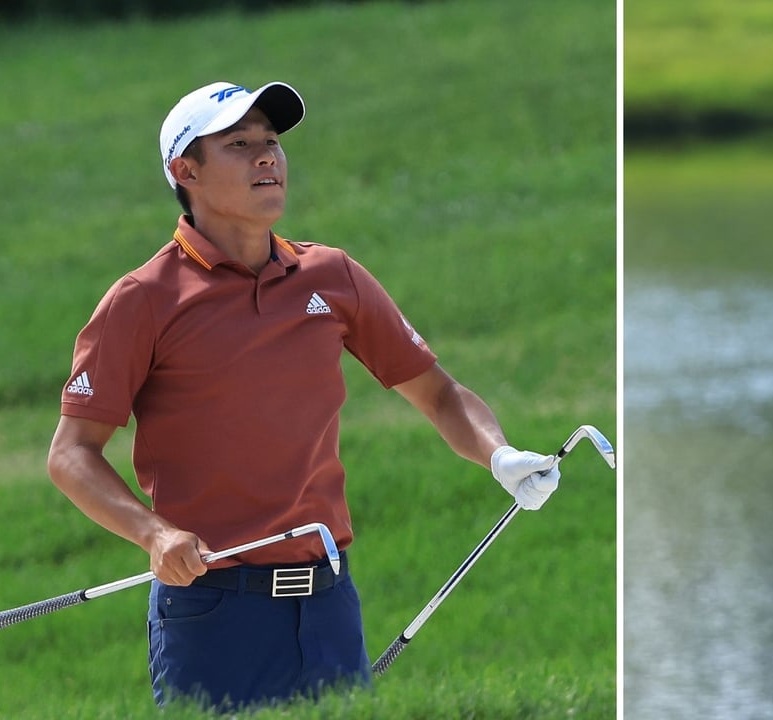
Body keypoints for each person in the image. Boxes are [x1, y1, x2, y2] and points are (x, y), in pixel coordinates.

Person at [48, 81, 562, 711]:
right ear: (186, 171)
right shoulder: (144, 300)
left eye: (271, 142)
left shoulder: (331, 275)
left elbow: (441, 395)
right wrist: (155, 536)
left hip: (327, 602)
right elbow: (71, 454)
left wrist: (499, 456)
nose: (267, 156)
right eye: (239, 144)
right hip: (212, 611)